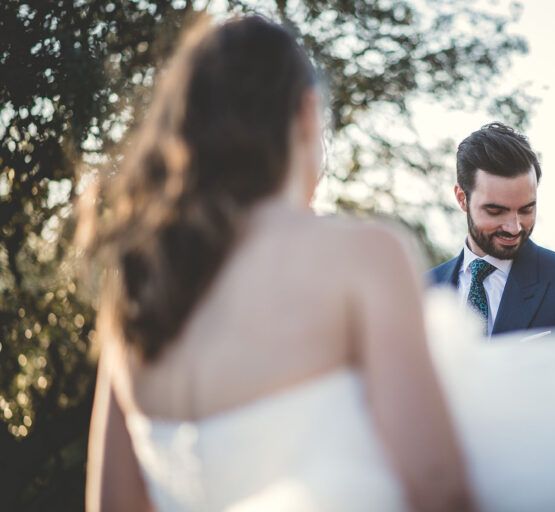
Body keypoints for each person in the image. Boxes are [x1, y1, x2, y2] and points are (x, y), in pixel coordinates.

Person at [83, 15, 472, 512]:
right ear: (307, 113)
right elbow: (440, 491)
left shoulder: (141, 284)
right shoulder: (367, 257)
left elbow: (110, 503)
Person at [428, 123, 555, 351]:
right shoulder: (423, 292)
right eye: (495, 211)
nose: (514, 228)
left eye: (526, 209)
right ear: (462, 198)